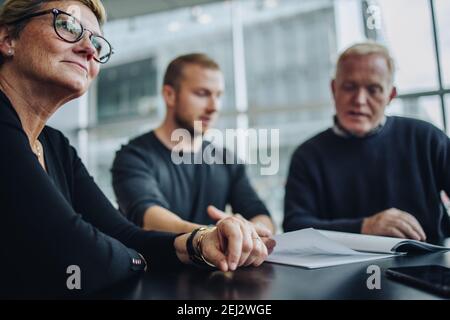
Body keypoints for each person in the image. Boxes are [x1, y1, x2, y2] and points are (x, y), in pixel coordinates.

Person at [0, 0, 273, 299]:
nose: (89, 49)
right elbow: (81, 253)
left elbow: (122, 234)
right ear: (7, 38)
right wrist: (141, 258)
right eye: (67, 26)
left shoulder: (56, 145)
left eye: (97, 43)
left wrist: (200, 242)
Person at [284, 42, 450, 244]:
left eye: (373, 89)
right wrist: (364, 227)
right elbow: (294, 226)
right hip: (338, 273)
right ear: (334, 89)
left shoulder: (428, 139)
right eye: (349, 87)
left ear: (390, 95)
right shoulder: (308, 155)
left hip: (429, 269)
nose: (360, 100)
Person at [111, 53, 275, 237]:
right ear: (170, 95)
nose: (214, 107)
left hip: (216, 265)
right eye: (202, 93)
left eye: (218, 95)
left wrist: (250, 231)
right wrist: (213, 236)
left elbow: (262, 217)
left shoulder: (226, 159)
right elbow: (150, 219)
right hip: (156, 265)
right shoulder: (134, 157)